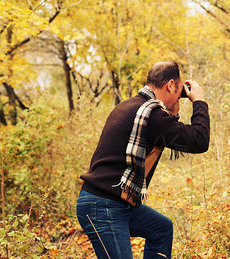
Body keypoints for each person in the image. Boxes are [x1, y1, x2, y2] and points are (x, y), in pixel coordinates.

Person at [76, 61, 210, 259]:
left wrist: (173, 109)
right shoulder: (152, 115)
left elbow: (166, 131)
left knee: (161, 229)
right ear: (171, 85)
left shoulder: (133, 106)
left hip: (114, 203)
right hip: (103, 206)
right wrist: (199, 101)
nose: (181, 92)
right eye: (180, 88)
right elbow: (199, 141)